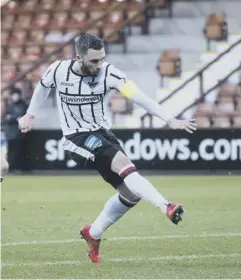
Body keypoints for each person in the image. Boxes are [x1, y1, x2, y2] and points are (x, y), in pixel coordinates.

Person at [17, 33, 197, 264]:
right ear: (79, 57)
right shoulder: (58, 70)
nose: (99, 64)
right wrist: (30, 114)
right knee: (123, 163)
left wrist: (169, 118)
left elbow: (139, 97)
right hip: (76, 137)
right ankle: (166, 206)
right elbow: (43, 88)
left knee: (131, 194)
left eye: (102, 59)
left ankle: (93, 233)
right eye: (94, 61)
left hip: (103, 133)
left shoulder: (110, 73)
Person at [2, 87, 32, 173]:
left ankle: (21, 168)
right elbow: (6, 118)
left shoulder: (23, 104)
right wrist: (14, 118)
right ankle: (11, 168)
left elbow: (22, 117)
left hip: (20, 133)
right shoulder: (9, 105)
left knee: (20, 151)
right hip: (10, 133)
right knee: (10, 152)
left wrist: (12, 118)